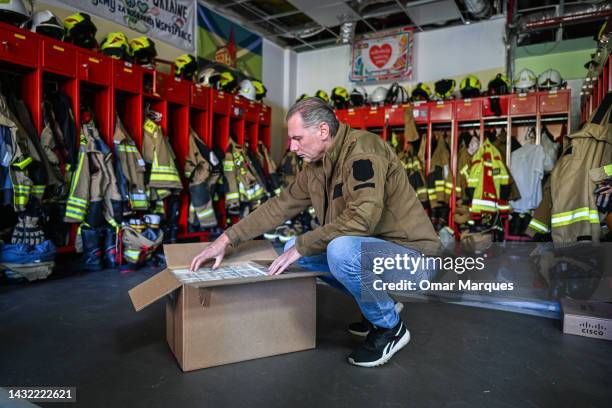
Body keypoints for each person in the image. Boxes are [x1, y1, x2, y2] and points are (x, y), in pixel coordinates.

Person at [190, 97, 439, 367]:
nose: (292, 147)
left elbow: (362, 219)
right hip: (375, 253)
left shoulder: (363, 151)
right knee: (292, 253)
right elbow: (279, 206)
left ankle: (390, 327)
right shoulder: (315, 167)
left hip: (414, 260)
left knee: (339, 251)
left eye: (297, 138)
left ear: (322, 131)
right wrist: (226, 240)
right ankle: (380, 303)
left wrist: (303, 244)